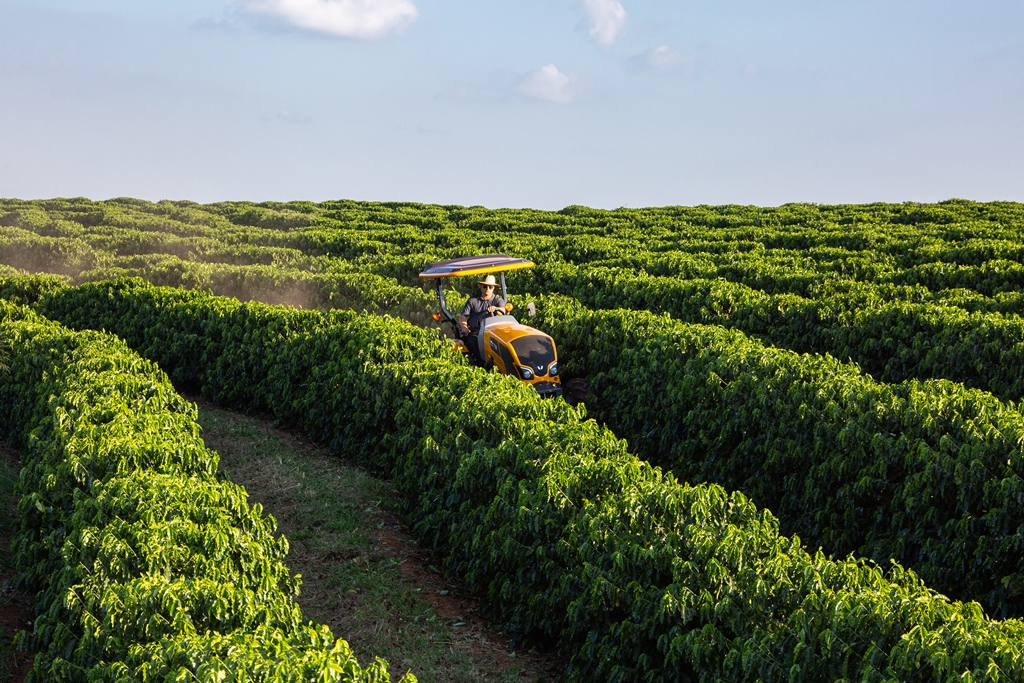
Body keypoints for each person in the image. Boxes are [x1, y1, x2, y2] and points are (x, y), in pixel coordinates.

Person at [459, 274, 506, 343]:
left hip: (493, 332)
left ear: (493, 288)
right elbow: (463, 316)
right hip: (476, 332)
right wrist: (464, 327)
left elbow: (502, 311)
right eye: (485, 286)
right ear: (481, 286)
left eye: (490, 287)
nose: (487, 289)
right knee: (472, 342)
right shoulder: (472, 300)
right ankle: (477, 354)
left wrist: (496, 309)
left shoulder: (498, 300)